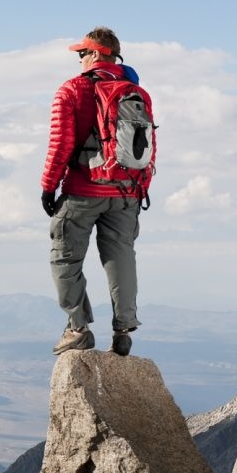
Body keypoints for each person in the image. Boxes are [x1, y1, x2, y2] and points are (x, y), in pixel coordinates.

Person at [40, 26, 153, 356]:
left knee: (65, 256)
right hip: (127, 192)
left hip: (83, 190)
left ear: (94, 54)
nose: (79, 60)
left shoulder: (72, 89)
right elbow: (149, 147)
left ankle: (78, 328)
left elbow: (60, 144)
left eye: (81, 53)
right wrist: (139, 189)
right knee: (121, 257)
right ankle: (123, 331)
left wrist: (49, 187)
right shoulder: (137, 93)